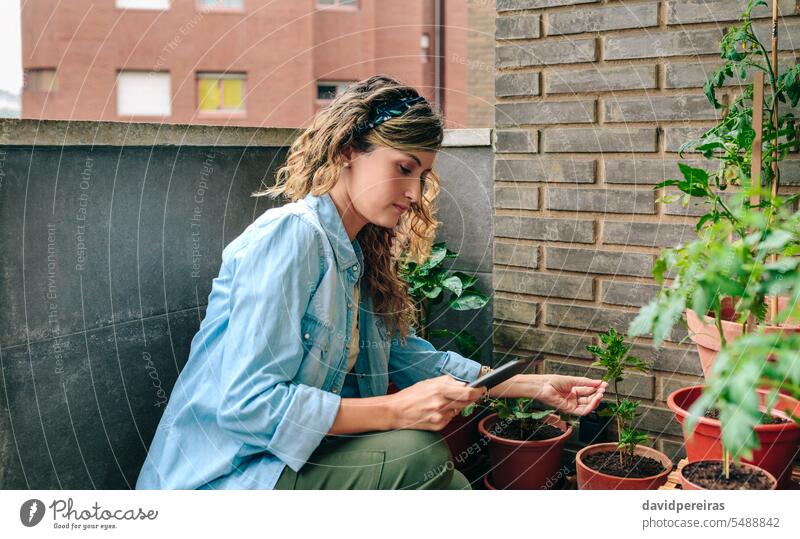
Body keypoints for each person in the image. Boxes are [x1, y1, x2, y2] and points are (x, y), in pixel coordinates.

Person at [135, 75, 607, 490]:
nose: (415, 192)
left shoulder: (357, 254)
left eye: (423, 176)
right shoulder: (292, 237)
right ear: (347, 153)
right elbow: (247, 405)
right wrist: (397, 411)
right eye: (403, 168)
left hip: (289, 462)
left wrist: (532, 385)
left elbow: (407, 359)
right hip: (229, 476)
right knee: (418, 456)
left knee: (450, 485)